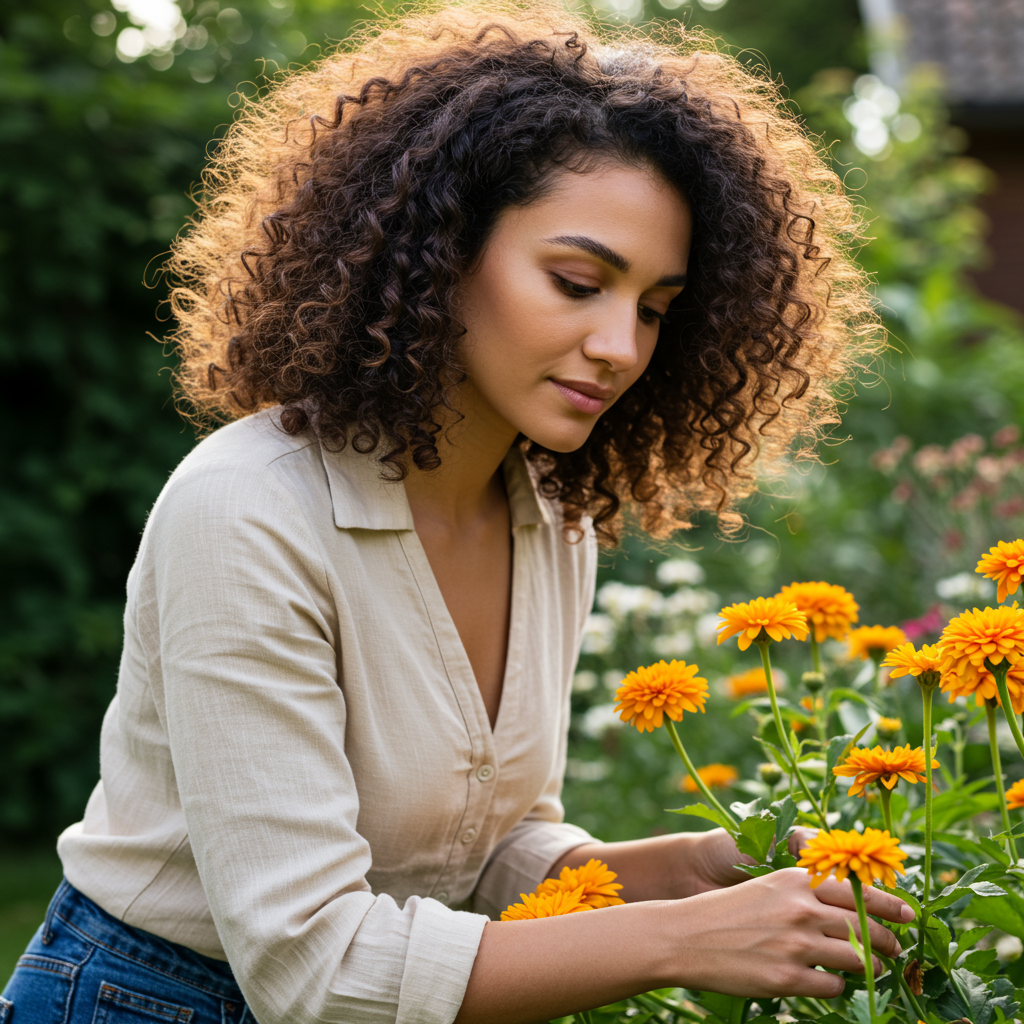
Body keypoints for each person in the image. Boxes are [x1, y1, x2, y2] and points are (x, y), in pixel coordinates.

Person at [2, 3, 911, 1022]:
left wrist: (691, 869)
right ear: (438, 252)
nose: (620, 345)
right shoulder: (248, 511)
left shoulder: (547, 516)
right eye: (577, 282)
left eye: (655, 307)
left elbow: (480, 852)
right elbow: (311, 967)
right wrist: (682, 941)